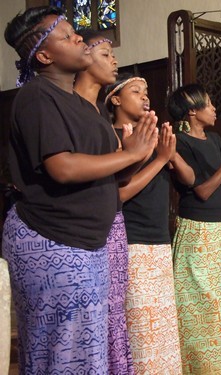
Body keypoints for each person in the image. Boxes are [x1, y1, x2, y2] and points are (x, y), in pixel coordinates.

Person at [2, 6, 157, 374]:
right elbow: (62, 167)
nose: (78, 38)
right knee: (63, 352)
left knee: (86, 353)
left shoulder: (81, 105)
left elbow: (109, 175)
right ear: (44, 55)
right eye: (67, 35)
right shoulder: (37, 96)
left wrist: (146, 153)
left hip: (86, 243)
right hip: (51, 238)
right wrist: (130, 154)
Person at [106, 75, 195, 374]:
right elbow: (118, 195)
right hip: (132, 240)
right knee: (142, 330)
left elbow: (190, 179)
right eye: (135, 91)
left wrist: (167, 155)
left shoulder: (153, 136)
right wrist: (157, 159)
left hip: (158, 239)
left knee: (163, 328)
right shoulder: (112, 135)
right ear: (115, 99)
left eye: (146, 92)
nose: (145, 97)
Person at [167, 83, 221, 374]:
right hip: (196, 231)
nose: (215, 109)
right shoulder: (179, 141)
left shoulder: (215, 140)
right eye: (209, 104)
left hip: (220, 230)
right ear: (192, 111)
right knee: (202, 307)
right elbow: (201, 191)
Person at [74, 30, 133, 375]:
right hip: (87, 229)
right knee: (98, 316)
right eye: (107, 53)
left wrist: (135, 153)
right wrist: (137, 155)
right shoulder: (72, 107)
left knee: (113, 312)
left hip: (113, 223)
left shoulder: (98, 115)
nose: (114, 60)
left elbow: (116, 178)